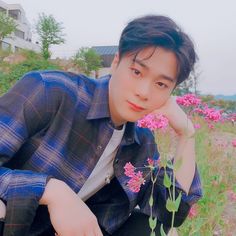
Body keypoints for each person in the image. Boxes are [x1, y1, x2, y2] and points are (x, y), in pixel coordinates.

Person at [0, 15, 202, 236]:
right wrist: (51, 190)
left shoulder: (141, 142)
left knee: (162, 232)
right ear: (116, 63)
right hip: (11, 226)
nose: (143, 92)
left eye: (161, 84)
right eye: (136, 72)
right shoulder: (50, 91)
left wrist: (187, 134)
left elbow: (169, 210)